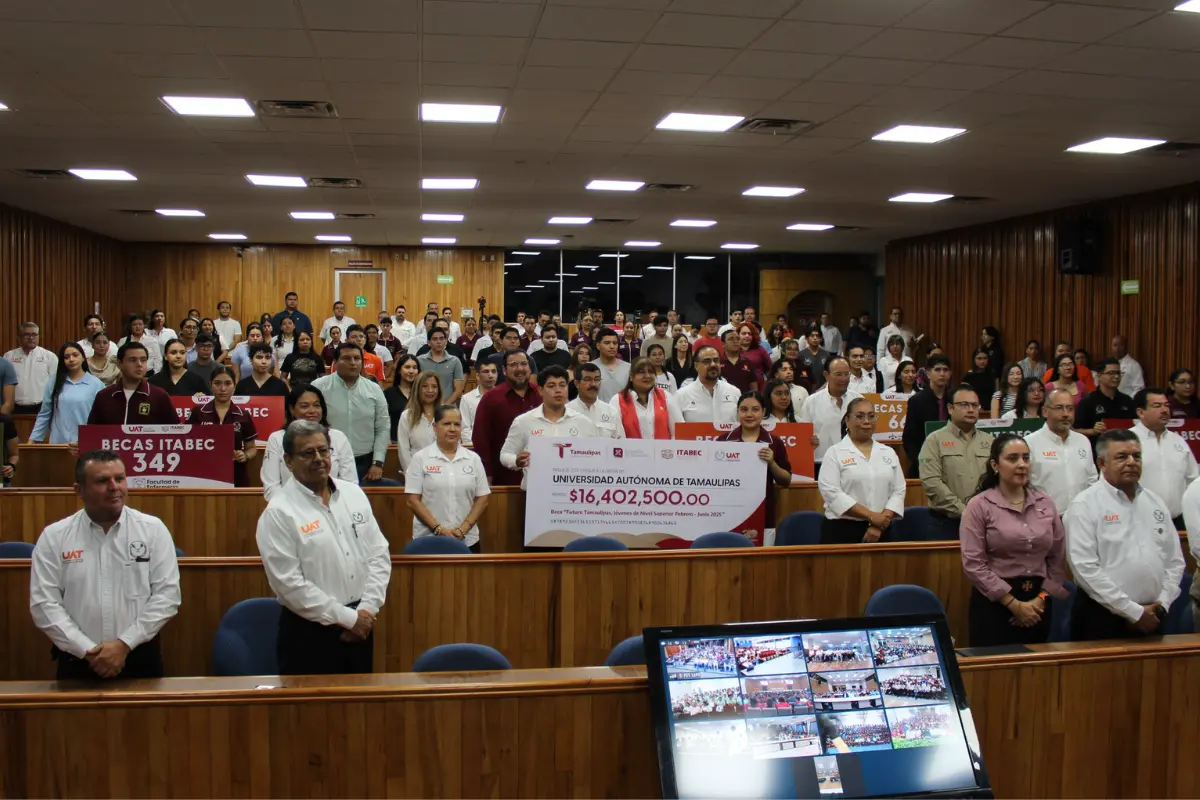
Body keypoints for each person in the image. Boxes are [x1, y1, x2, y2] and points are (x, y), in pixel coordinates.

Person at [29, 450, 181, 679]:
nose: (114, 487)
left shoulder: (152, 530)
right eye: (102, 481)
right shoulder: (55, 536)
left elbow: (167, 596)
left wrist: (123, 645)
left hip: (139, 658)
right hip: (78, 661)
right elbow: (44, 604)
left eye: (119, 478)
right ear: (78, 490)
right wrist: (89, 652)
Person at [256, 420, 391, 674]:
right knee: (311, 714)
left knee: (359, 711)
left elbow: (379, 555)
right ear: (288, 461)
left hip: (362, 626)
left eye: (324, 450)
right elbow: (290, 586)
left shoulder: (354, 494)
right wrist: (349, 619)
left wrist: (367, 609)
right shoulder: (279, 512)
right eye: (308, 453)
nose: (318, 458)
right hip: (310, 634)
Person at [1066, 429, 1185, 640]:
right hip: (1103, 617)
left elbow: (1174, 562)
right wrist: (1133, 612)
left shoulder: (1155, 502)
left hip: (1155, 615)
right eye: (1121, 457)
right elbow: (1084, 568)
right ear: (1101, 463)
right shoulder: (1084, 505)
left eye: (1136, 456)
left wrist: (1163, 603)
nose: (1131, 462)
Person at [960, 434, 1069, 647]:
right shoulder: (979, 505)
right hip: (995, 603)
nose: (1021, 464)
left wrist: (1040, 599)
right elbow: (974, 563)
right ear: (995, 464)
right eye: (1012, 459)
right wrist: (1013, 604)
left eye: (1026, 458)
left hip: (1039, 603)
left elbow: (1056, 557)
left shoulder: (1045, 503)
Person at [817, 397, 905, 544]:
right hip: (842, 530)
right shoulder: (835, 453)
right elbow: (831, 493)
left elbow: (899, 490)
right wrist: (872, 516)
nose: (866, 421)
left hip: (882, 529)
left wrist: (879, 522)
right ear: (847, 420)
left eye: (871, 416)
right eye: (859, 416)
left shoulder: (888, 452)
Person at [405, 405, 491, 553]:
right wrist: (439, 529)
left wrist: (463, 529)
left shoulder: (473, 459)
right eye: (446, 424)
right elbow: (412, 500)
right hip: (428, 539)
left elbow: (483, 498)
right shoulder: (421, 458)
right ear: (434, 426)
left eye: (456, 424)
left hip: (467, 539)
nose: (452, 429)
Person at [917, 384, 995, 540]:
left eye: (975, 405)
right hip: (946, 523)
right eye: (964, 405)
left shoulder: (990, 441)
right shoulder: (935, 440)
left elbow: (998, 480)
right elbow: (931, 482)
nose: (971, 409)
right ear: (950, 408)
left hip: (987, 522)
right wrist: (964, 511)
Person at [501, 366, 597, 489]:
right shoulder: (524, 421)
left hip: (573, 495)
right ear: (540, 390)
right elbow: (505, 454)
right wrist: (516, 461)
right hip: (535, 493)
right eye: (551, 386)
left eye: (562, 385)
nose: (558, 390)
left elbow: (594, 458)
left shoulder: (584, 423)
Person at [311, 342, 389, 482]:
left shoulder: (374, 389)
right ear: (335, 362)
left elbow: (382, 427)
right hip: (327, 459)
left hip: (364, 462)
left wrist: (377, 462)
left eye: (357, 358)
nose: (353, 363)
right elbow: (310, 424)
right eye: (347, 358)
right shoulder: (319, 387)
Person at [262, 385, 355, 500]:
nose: (312, 411)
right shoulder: (277, 438)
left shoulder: (338, 437)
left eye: (316, 405)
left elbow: (350, 483)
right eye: (305, 406)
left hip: (331, 505)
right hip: (291, 508)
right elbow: (271, 487)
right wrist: (289, 509)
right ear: (292, 410)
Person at [718, 391, 792, 537]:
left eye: (755, 409)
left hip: (764, 516)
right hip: (729, 514)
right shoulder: (723, 441)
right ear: (737, 412)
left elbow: (786, 481)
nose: (749, 414)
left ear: (764, 412)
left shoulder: (774, 442)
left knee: (763, 559)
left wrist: (771, 463)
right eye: (744, 410)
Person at [1131, 388, 1199, 529]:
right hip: (1138, 521)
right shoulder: (1126, 441)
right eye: (1157, 406)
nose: (1164, 410)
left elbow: (1193, 480)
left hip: (1178, 521)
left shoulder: (1178, 441)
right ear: (1140, 412)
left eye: (1166, 405)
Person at [473, 350, 541, 485]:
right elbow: (480, 438)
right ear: (504, 370)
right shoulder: (491, 398)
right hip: (502, 477)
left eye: (524, 364)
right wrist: (486, 474)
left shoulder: (540, 395)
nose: (520, 369)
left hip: (538, 475)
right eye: (514, 364)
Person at [1027, 388, 1098, 514]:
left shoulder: (1083, 441)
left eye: (1070, 408)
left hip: (1081, 518)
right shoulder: (1029, 443)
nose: (1066, 414)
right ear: (1045, 411)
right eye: (1059, 408)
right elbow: (1023, 486)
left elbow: (1092, 481)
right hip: (1044, 519)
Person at [186, 366, 259, 487]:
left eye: (228, 383)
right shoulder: (199, 411)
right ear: (211, 385)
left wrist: (244, 455)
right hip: (204, 475)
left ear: (234, 386)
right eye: (217, 383)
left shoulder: (243, 415)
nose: (223, 389)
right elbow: (187, 443)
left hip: (235, 476)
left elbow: (251, 448)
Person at [30, 343, 103, 447]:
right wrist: (33, 439)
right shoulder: (54, 382)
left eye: (75, 355)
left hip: (86, 442)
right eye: (66, 357)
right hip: (59, 442)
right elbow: (45, 413)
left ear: (83, 358)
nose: (71, 359)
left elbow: (101, 417)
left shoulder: (96, 384)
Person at [86, 342, 176, 425]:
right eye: (133, 360)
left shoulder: (160, 396)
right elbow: (93, 433)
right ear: (119, 363)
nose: (139, 364)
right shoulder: (104, 396)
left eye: (143, 360)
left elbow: (175, 432)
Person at [801, 357, 861, 466]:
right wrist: (809, 440)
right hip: (821, 462)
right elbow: (803, 437)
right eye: (838, 374)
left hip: (854, 463)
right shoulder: (811, 402)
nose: (844, 379)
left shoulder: (859, 400)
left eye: (847, 374)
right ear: (826, 375)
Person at [902, 354, 952, 478]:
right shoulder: (917, 401)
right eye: (937, 369)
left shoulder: (954, 399)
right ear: (928, 373)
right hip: (924, 466)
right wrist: (922, 462)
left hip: (951, 464)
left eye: (945, 370)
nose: (942, 374)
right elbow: (909, 439)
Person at [616, 357, 683, 439]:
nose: (647, 376)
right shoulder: (618, 400)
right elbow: (616, 436)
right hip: (630, 451)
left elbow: (679, 431)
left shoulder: (666, 397)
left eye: (651, 372)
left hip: (664, 451)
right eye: (641, 372)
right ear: (631, 376)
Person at [1075, 357, 1136, 441]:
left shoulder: (1127, 400)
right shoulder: (1088, 401)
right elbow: (1074, 431)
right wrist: (1092, 431)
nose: (1116, 376)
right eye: (1111, 373)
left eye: (1118, 373)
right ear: (1099, 376)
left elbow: (1135, 426)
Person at [677, 345, 741, 424]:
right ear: (696, 366)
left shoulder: (734, 392)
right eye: (707, 361)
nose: (713, 364)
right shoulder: (682, 395)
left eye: (716, 360)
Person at [5, 321, 57, 413]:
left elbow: (55, 384)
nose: (31, 338)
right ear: (19, 338)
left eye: (34, 334)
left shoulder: (49, 357)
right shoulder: (9, 356)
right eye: (27, 334)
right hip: (14, 408)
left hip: (41, 407)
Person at [398, 371, 442, 473]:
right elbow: (404, 451)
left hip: (443, 474)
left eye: (434, 386)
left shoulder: (446, 414)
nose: (430, 390)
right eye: (425, 386)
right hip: (417, 473)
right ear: (417, 389)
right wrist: (413, 474)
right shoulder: (407, 416)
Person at [417, 328, 465, 406]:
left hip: (448, 409)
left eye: (442, 338)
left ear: (446, 341)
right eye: (435, 339)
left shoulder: (455, 361)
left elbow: (458, 390)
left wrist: (444, 407)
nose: (439, 342)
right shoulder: (419, 361)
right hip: (424, 407)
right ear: (428, 343)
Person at [384, 354, 420, 442]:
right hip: (395, 441)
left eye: (415, 368)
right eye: (407, 367)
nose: (411, 371)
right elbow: (383, 420)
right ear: (399, 370)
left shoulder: (422, 393)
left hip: (418, 442)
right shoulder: (389, 393)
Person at [719, 328, 763, 395]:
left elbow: (754, 388)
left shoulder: (747, 362)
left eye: (738, 339)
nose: (735, 341)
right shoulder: (718, 362)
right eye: (731, 339)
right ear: (723, 344)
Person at [594, 327, 630, 403]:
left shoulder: (629, 368)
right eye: (607, 343)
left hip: (623, 412)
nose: (612, 346)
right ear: (598, 345)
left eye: (615, 343)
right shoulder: (589, 368)